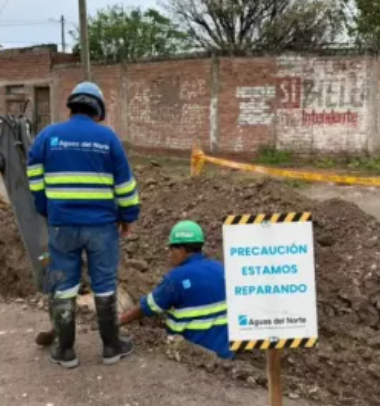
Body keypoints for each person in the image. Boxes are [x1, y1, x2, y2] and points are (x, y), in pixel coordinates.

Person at [27, 81, 141, 369]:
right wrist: (128, 217)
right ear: (98, 109)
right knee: (103, 283)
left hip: (62, 225)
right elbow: (125, 185)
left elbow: (34, 179)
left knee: (64, 285)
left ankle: (65, 350)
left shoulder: (47, 136)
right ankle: (111, 347)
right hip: (102, 227)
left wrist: (46, 210)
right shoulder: (108, 138)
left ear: (72, 105)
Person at [119, 221, 233, 360]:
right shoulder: (220, 269)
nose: (169, 254)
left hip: (193, 356)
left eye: (171, 249)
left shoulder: (176, 277)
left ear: (182, 251)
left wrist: (120, 320)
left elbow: (148, 306)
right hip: (225, 353)